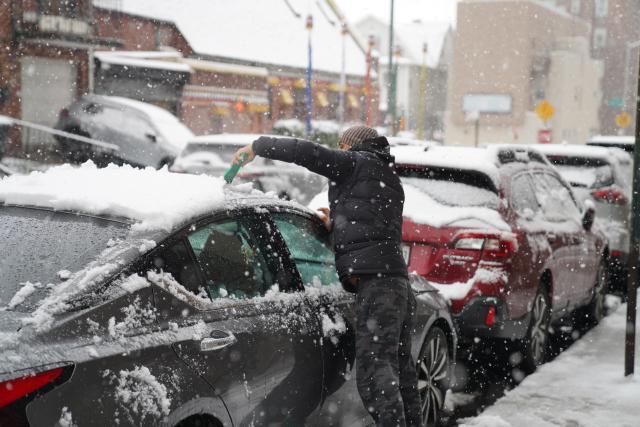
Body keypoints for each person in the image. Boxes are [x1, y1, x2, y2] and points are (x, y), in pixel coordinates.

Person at [231, 126, 422, 427]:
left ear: (351, 146)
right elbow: (375, 224)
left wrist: (258, 145)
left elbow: (307, 152)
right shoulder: (387, 177)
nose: (340, 151)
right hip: (397, 285)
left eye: (342, 146)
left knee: (375, 377)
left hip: (377, 286)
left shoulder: (356, 162)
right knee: (401, 372)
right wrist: (338, 222)